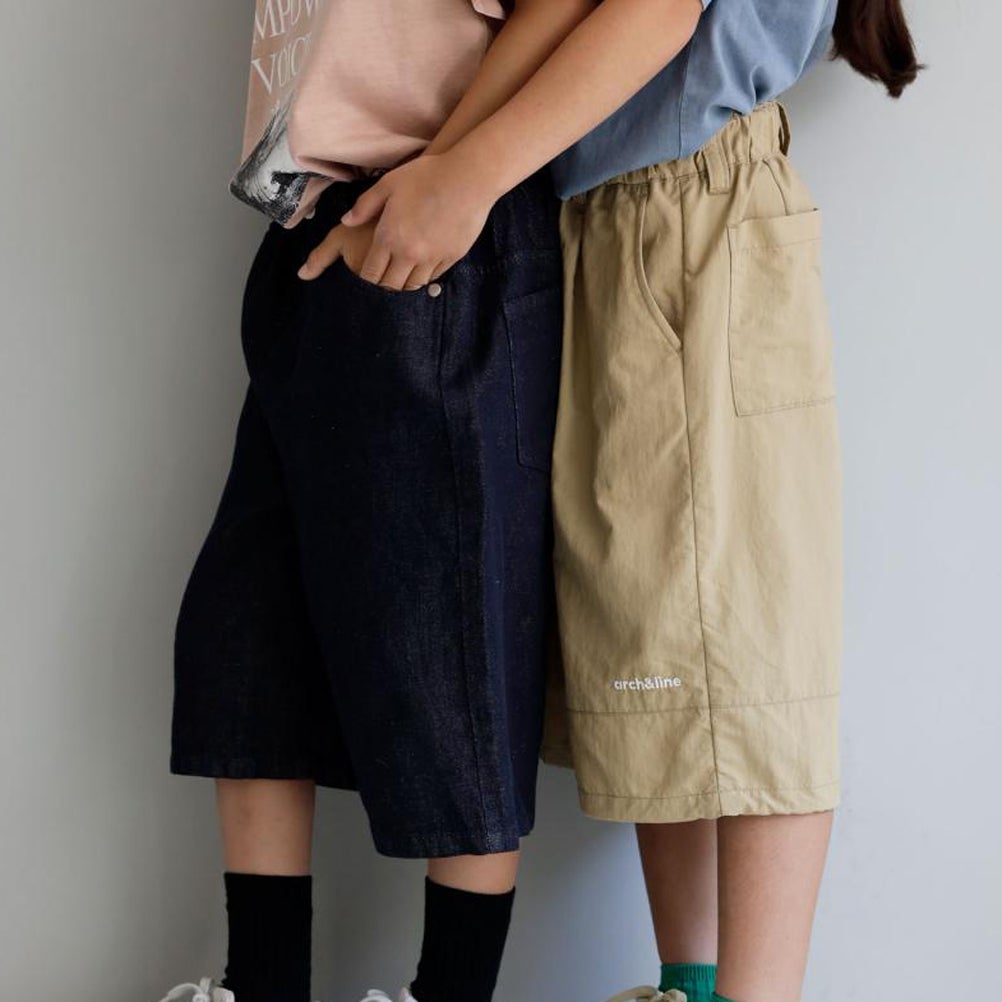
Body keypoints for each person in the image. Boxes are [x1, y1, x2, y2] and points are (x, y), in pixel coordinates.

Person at [334, 2, 921, 1001]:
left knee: (745, 655)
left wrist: (463, 174)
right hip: (611, 221)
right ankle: (690, 988)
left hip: (690, 213)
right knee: (661, 647)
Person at [160, 2, 595, 1002]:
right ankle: (262, 986)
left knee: (452, 652)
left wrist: (450, 172)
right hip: (321, 217)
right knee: (251, 634)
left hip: (430, 225)